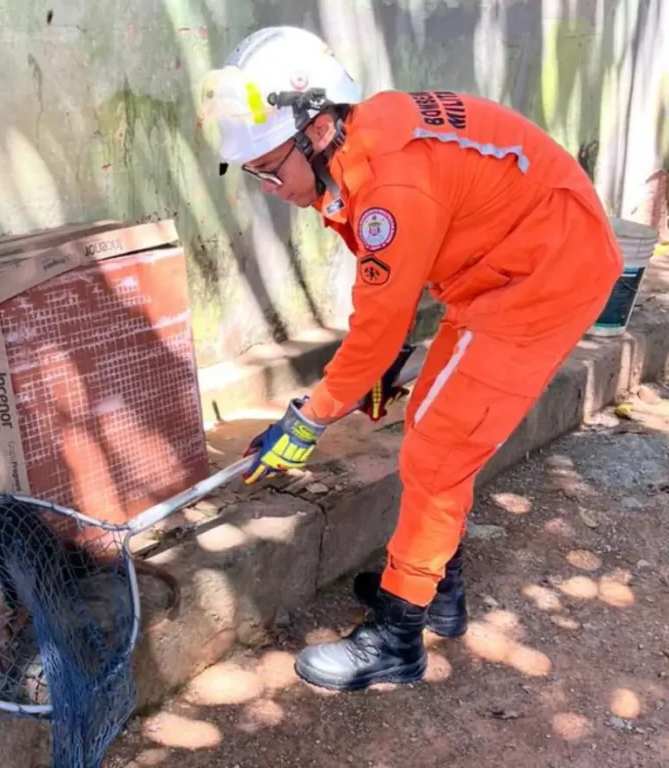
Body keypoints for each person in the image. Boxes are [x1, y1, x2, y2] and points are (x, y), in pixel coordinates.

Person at [198, 26, 622, 692]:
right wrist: (386, 356)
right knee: (431, 417)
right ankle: (435, 590)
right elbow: (386, 287)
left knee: (440, 445)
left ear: (314, 130)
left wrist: (308, 418)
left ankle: (396, 638)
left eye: (269, 168)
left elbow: (377, 320)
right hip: (499, 269)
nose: (268, 186)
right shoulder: (359, 148)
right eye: (255, 174)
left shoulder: (394, 184)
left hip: (544, 274)